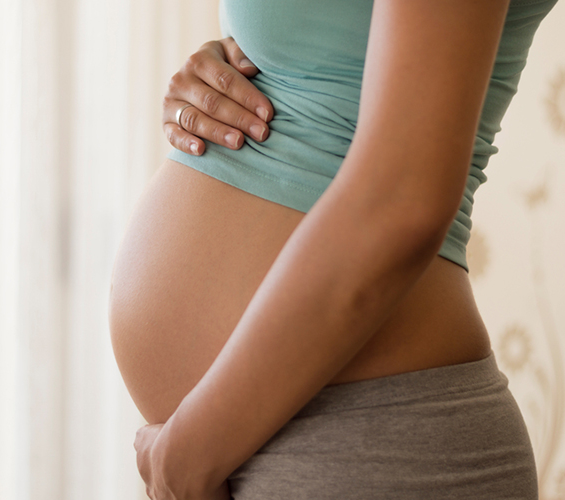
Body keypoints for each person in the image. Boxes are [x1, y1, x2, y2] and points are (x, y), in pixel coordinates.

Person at [108, 0, 558, 498]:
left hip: (373, 446)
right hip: (254, 444)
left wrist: (186, 458)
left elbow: (405, 200)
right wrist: (223, 71)